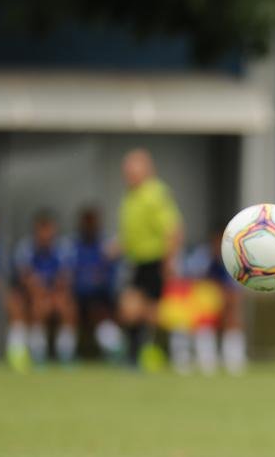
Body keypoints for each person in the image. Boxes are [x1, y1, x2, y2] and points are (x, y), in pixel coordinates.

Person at [115, 149, 182, 368]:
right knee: (134, 310)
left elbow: (172, 228)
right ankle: (139, 354)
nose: (128, 174)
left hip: (155, 261)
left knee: (148, 311)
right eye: (127, 170)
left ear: (146, 170)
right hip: (137, 261)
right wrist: (119, 246)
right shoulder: (131, 195)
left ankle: (172, 350)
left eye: (133, 169)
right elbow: (134, 231)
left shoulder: (155, 194)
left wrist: (169, 260)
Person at [6, 211, 77, 369]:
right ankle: (36, 352)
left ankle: (66, 352)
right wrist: (41, 293)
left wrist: (51, 295)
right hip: (31, 296)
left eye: (48, 229)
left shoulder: (64, 248)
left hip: (55, 294)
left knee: (66, 305)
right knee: (29, 302)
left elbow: (65, 278)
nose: (45, 234)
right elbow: (25, 278)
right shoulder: (25, 248)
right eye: (41, 229)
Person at [181, 229, 246, 374]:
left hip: (225, 297)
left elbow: (235, 288)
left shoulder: (235, 257)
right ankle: (205, 360)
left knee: (233, 311)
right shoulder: (201, 257)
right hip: (201, 301)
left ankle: (234, 361)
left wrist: (224, 297)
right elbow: (190, 282)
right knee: (202, 313)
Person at [71, 207, 122, 360]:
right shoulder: (72, 247)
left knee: (101, 311)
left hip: (102, 298)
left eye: (92, 222)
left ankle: (113, 351)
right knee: (67, 307)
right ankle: (67, 354)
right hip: (78, 298)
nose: (89, 226)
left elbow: (112, 277)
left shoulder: (107, 247)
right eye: (87, 222)